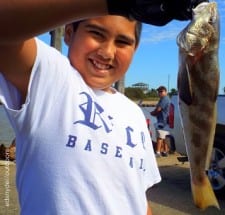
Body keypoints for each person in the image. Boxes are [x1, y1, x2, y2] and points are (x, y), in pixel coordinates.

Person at [0, 0, 207, 214]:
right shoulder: (50, 79)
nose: (107, 52)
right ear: (68, 33)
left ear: (135, 49)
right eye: (97, 34)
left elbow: (137, 196)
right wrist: (117, 3)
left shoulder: (134, 113)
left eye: (123, 42)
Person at [151, 86, 171, 157]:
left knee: (159, 137)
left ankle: (158, 152)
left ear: (165, 92)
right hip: (165, 121)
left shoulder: (164, 99)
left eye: (161, 91)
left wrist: (153, 113)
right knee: (165, 137)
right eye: (159, 92)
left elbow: (158, 109)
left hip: (163, 121)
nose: (159, 93)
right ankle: (165, 152)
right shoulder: (163, 99)